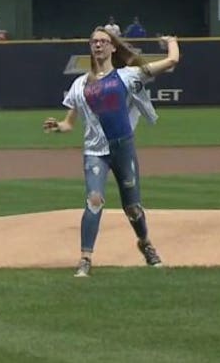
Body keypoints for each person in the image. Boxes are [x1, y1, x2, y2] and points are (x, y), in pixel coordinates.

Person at [43, 29, 181, 277]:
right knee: (94, 200)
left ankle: (145, 243)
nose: (98, 45)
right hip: (95, 152)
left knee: (133, 208)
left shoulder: (126, 76)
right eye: (94, 41)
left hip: (122, 148)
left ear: (113, 48)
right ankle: (85, 258)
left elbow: (172, 61)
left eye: (103, 42)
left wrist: (171, 42)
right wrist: (59, 127)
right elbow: (69, 123)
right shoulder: (80, 85)